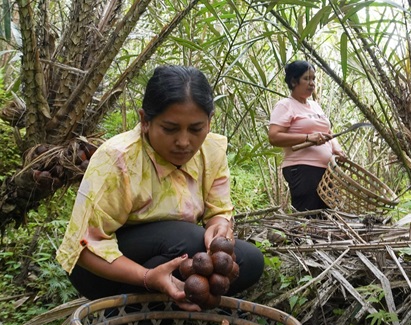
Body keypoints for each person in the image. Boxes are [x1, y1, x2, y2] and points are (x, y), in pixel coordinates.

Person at [56, 65, 264, 311]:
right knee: (188, 239)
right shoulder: (119, 159)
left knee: (249, 261)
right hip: (102, 273)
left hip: (169, 254)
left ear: (209, 122)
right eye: (170, 129)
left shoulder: (211, 151)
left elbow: (219, 212)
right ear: (145, 121)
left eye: (196, 129)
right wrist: (147, 276)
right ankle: (122, 315)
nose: (184, 142)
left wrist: (219, 230)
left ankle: (163, 316)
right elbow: (83, 248)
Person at [268, 60, 346, 212]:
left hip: (327, 170)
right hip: (302, 169)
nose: (311, 83)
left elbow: (328, 132)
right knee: (308, 217)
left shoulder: (315, 106)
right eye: (306, 79)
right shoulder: (285, 105)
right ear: (293, 81)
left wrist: (336, 148)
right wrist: (307, 138)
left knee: (328, 217)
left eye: (313, 79)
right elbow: (274, 137)